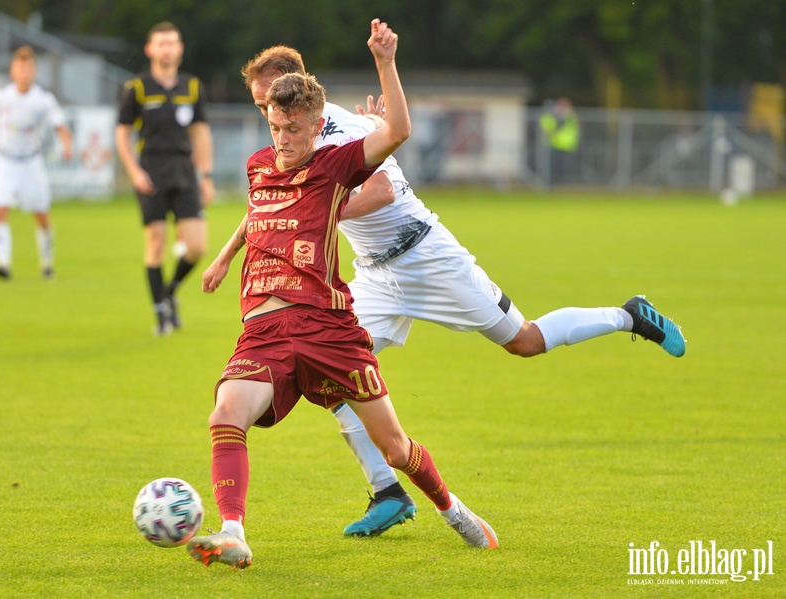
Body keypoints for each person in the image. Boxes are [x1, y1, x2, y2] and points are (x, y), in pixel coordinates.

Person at [238, 50, 686, 538]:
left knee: (525, 340)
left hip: (426, 257)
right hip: (375, 276)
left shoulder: (338, 129)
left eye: (270, 102)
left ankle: (629, 316)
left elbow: (383, 190)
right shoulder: (295, 141)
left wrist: (318, 211)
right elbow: (270, 204)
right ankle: (389, 493)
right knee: (340, 383)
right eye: (262, 108)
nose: (268, 116)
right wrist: (230, 255)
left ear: (298, 89)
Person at [187, 19, 499, 570]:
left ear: (315, 126)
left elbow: (397, 130)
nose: (281, 138)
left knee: (397, 448)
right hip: (263, 332)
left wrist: (385, 61)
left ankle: (451, 508)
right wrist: (225, 255)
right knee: (224, 417)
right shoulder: (259, 167)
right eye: (273, 124)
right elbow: (260, 215)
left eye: (291, 128)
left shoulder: (334, 166)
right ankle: (233, 530)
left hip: (327, 329)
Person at [115, 21, 215, 335]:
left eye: (172, 43)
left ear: (180, 49)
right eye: (161, 43)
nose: (167, 49)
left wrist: (206, 174)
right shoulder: (138, 88)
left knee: (197, 246)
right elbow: (122, 132)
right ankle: (160, 314)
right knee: (156, 242)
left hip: (184, 172)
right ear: (150, 49)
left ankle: (170, 292)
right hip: (151, 171)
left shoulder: (192, 86)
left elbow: (200, 131)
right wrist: (134, 171)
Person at [0, 45, 73, 280]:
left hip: (31, 161)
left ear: (34, 72)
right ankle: (3, 263)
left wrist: (67, 144)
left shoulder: (43, 99)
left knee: (41, 214)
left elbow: (61, 126)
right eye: (19, 68)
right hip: (4, 160)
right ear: (12, 71)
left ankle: (46, 263)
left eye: (28, 68)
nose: (24, 73)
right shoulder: (1, 97)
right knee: (0, 209)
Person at [539, 97, 580, 185]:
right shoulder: (550, 116)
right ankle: (552, 182)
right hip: (553, 144)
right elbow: (549, 129)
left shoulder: (570, 116)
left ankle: (565, 183)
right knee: (553, 166)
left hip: (568, 146)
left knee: (566, 167)